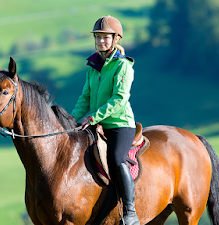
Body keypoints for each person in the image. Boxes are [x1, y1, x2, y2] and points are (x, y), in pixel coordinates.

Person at [71, 15, 139, 225]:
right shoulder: (93, 66)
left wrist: (93, 116)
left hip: (119, 124)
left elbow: (118, 99)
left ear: (115, 39)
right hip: (94, 123)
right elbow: (85, 97)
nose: (100, 41)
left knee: (117, 158)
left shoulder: (123, 66)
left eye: (105, 37)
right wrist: (71, 122)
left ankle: (130, 212)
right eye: (98, 37)